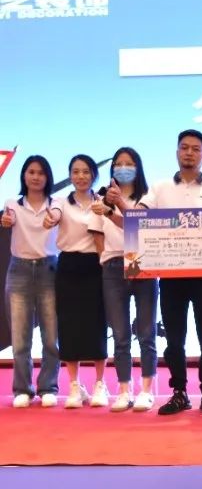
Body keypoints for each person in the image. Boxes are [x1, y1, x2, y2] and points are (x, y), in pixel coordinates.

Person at [141, 129, 202, 416]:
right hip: (171, 277)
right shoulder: (160, 188)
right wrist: (119, 205)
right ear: (177, 152)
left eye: (195, 149)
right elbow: (139, 216)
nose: (189, 153)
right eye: (184, 147)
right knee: (174, 340)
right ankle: (179, 393)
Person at [88, 147, 158, 412]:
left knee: (146, 332)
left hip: (142, 263)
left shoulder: (148, 197)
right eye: (118, 164)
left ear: (137, 168)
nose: (122, 168)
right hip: (113, 266)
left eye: (128, 164)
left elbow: (136, 224)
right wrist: (103, 257)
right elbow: (97, 232)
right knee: (120, 334)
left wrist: (115, 205)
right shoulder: (100, 198)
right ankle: (124, 390)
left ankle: (147, 390)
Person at [1, 155, 60, 408]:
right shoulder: (12, 204)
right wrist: (6, 221)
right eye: (31, 172)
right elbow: (7, 219)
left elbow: (57, 214)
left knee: (51, 336)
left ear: (48, 177)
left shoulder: (56, 204)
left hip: (49, 269)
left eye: (41, 173)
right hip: (19, 271)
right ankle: (23, 388)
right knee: (20, 337)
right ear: (24, 176)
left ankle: (48, 386)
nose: (36, 177)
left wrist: (53, 217)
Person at [51, 154, 108, 408]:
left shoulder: (103, 201)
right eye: (76, 171)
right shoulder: (61, 202)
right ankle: (74, 385)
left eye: (86, 171)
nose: (81, 176)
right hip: (68, 266)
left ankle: (100, 384)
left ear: (94, 175)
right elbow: (53, 215)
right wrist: (50, 219)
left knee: (97, 323)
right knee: (68, 324)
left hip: (96, 265)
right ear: (70, 175)